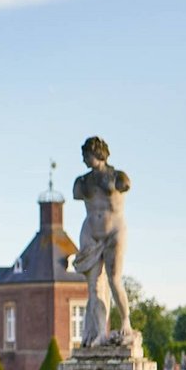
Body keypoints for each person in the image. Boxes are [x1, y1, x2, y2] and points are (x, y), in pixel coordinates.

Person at [72, 136, 133, 347]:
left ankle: (126, 321)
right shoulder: (82, 182)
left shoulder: (118, 177)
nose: (84, 160)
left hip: (113, 232)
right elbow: (77, 195)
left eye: (86, 155)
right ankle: (99, 332)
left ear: (97, 153)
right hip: (90, 233)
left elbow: (126, 186)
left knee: (114, 280)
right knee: (94, 288)